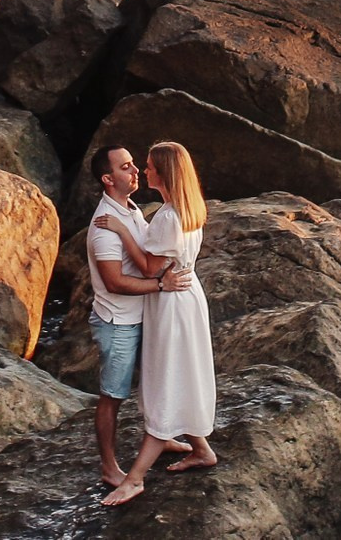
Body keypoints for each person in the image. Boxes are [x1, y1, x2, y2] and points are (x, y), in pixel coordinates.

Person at [96, 141, 217, 504]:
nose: (142, 171)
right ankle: (200, 448)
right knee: (182, 370)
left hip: (172, 302)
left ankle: (134, 478)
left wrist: (120, 231)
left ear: (163, 173)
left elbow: (151, 268)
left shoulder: (167, 216)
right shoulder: (188, 207)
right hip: (188, 293)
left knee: (166, 376)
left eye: (147, 166)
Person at [85, 146, 192, 488]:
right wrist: (160, 285)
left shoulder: (130, 210)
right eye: (126, 167)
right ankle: (109, 467)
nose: (135, 171)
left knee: (157, 378)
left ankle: (165, 434)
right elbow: (114, 282)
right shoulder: (104, 228)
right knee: (113, 395)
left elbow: (148, 252)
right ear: (108, 178)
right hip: (119, 322)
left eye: (135, 165)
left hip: (143, 313)